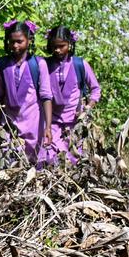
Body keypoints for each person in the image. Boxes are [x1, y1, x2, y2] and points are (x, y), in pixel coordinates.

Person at [0, 20, 54, 165]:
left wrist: (48, 127)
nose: (15, 46)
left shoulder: (38, 64)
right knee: (11, 165)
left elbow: (46, 96)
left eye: (19, 41)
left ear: (29, 40)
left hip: (34, 126)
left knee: (36, 166)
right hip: (10, 126)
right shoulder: (1, 64)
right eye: (12, 42)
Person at [45, 26, 101, 164]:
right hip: (52, 123)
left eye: (61, 46)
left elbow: (95, 89)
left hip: (75, 123)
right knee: (50, 157)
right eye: (54, 46)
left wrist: (87, 109)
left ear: (70, 44)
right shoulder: (44, 65)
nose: (57, 50)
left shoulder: (80, 64)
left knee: (75, 159)